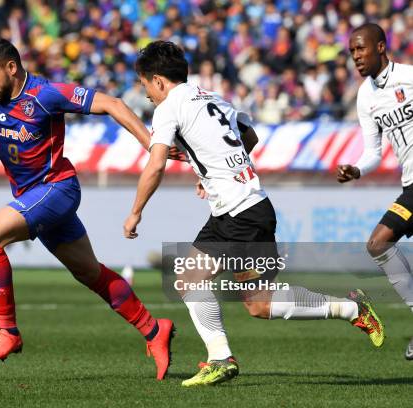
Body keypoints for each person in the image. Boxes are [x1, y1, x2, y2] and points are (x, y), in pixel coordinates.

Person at [0, 38, 175, 379]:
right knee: (89, 273)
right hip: (33, 195)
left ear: (12, 68)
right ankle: (154, 330)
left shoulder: (45, 95)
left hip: (56, 188)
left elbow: (112, 103)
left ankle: (8, 331)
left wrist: (153, 146)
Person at [125, 40, 384, 387]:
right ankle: (224, 356)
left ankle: (225, 357)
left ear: (158, 81)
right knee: (197, 283)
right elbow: (251, 137)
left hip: (242, 214)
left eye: (145, 86)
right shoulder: (213, 98)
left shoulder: (169, 107)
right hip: (239, 209)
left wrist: (136, 212)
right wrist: (214, 172)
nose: (147, 96)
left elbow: (155, 166)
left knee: (256, 303)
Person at [337, 23, 413, 360]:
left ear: (381, 47)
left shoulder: (409, 78)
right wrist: (357, 169)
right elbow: (373, 151)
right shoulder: (366, 96)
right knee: (378, 243)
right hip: (410, 186)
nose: (356, 57)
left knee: (378, 241)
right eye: (352, 51)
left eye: (361, 49)